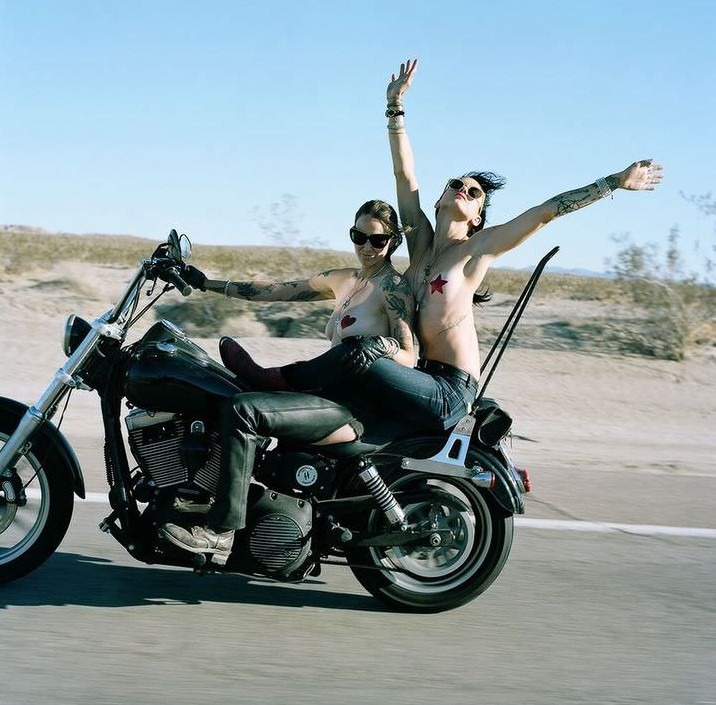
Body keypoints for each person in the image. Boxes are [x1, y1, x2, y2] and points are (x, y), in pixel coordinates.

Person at [224, 58, 664, 433]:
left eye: (474, 194)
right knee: (348, 372)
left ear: (477, 217)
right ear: (439, 199)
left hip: (449, 390)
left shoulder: (478, 250)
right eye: (456, 184)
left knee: (360, 352)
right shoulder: (419, 244)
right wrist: (395, 107)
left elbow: (545, 211)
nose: (463, 191)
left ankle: (271, 379)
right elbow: (404, 175)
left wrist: (614, 182)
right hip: (414, 375)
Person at [159, 200, 415, 561]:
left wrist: (380, 345)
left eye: (378, 240)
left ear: (393, 242)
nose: (367, 247)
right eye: (359, 236)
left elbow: (409, 354)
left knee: (243, 410)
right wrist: (206, 283)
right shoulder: (346, 279)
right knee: (225, 391)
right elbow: (278, 289)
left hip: (353, 406)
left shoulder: (393, 288)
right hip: (325, 392)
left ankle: (221, 532)